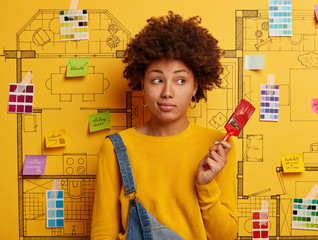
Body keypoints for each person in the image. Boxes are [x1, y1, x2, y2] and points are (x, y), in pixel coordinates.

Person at [91, 11, 238, 240]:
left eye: (180, 80)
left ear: (195, 87)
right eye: (157, 80)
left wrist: (205, 186)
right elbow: (103, 233)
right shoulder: (115, 148)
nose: (167, 92)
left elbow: (225, 236)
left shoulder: (218, 148)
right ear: (143, 84)